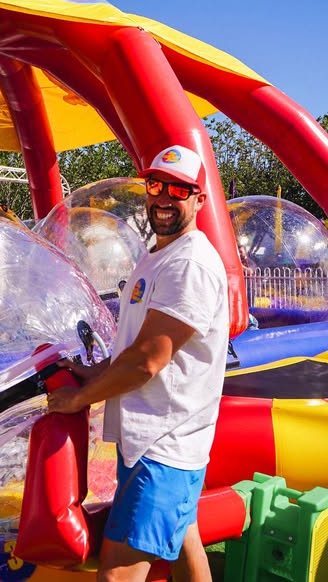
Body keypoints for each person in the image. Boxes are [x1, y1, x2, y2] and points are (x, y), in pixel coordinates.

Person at [47, 144, 229, 582]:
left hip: (164, 446)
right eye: (156, 185)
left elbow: (148, 361)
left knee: (116, 574)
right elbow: (136, 344)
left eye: (180, 189)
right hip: (155, 438)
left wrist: (79, 400)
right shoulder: (158, 254)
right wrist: (96, 370)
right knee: (186, 545)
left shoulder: (190, 264)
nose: (165, 197)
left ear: (199, 199)